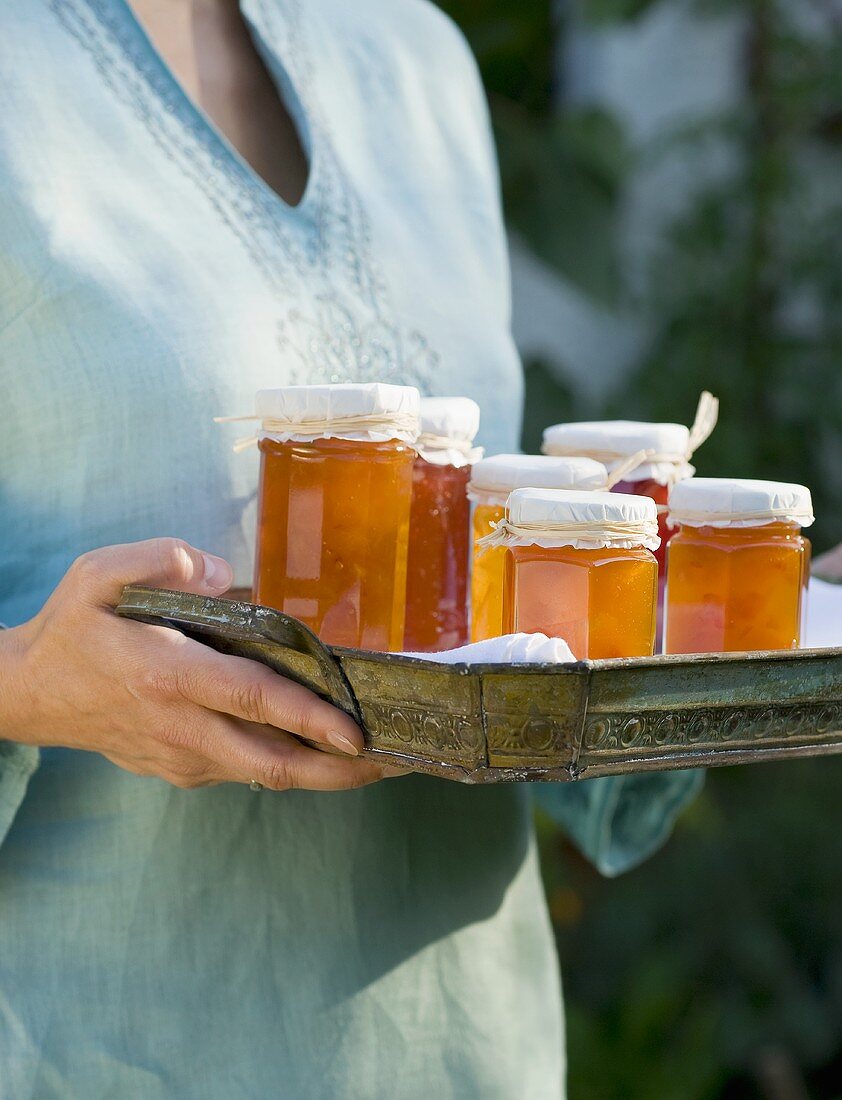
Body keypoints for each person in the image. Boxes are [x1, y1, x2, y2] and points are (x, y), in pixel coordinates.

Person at [0, 2, 701, 1095]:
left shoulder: (415, 56)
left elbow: (496, 627)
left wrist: (755, 614)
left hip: (456, 1045)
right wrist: (24, 687)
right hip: (90, 1042)